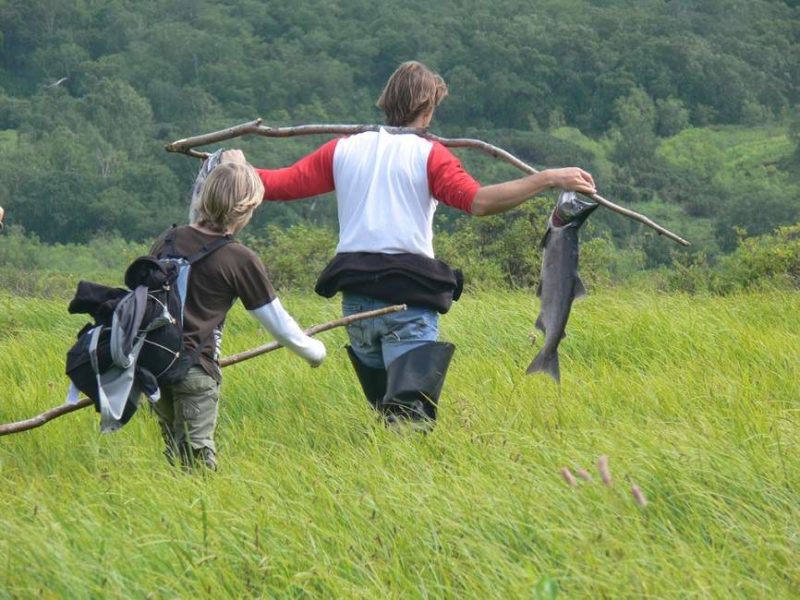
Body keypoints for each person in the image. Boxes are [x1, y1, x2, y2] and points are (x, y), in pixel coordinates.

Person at [224, 60, 595, 430]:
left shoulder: (341, 150)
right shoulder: (431, 155)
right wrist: (546, 179)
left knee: (386, 415)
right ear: (429, 108)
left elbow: (274, 184)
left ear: (386, 101)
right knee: (409, 424)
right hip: (407, 301)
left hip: (356, 299)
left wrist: (235, 168)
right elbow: (480, 202)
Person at [149, 161, 326, 470]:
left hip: (155, 364)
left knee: (174, 451)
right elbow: (278, 324)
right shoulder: (238, 258)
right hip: (196, 368)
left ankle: (172, 506)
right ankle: (198, 511)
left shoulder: (168, 240)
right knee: (197, 457)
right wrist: (315, 352)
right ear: (244, 210)